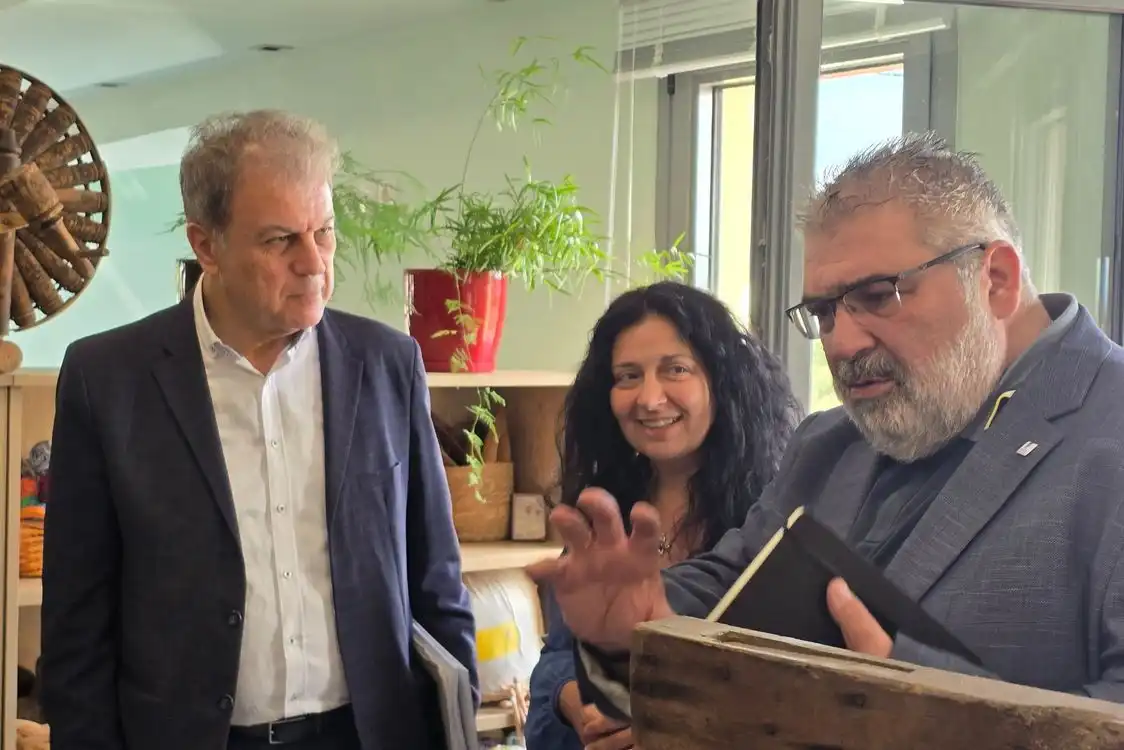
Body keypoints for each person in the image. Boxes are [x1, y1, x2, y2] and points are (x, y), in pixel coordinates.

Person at [527, 131, 1124, 726]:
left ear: (995, 279)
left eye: (878, 295)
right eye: (824, 312)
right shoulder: (829, 443)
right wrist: (635, 627)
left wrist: (918, 711)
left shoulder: (1108, 432)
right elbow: (733, 586)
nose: (841, 344)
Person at [39, 109, 478, 750]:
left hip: (366, 733)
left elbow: (436, 579)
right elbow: (76, 623)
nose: (313, 263)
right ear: (207, 246)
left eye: (323, 232)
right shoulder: (107, 378)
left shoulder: (387, 364)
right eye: (279, 241)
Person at [524, 282, 801, 750]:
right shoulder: (604, 509)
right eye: (628, 376)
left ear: (722, 380)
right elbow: (558, 657)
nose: (649, 399)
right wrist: (573, 699)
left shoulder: (771, 513)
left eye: (676, 369)